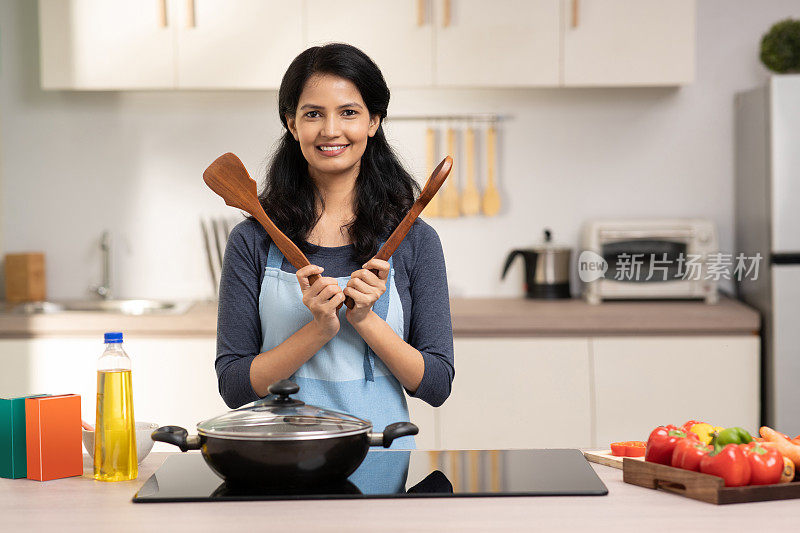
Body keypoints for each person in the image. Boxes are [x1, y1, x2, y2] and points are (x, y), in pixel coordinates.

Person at [214, 43, 454, 449]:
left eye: (349, 112)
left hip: (381, 462)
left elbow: (435, 384)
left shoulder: (416, 240)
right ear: (291, 124)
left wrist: (365, 320)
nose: (330, 130)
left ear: (374, 121)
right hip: (277, 466)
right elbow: (235, 387)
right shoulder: (252, 240)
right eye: (313, 114)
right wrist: (320, 329)